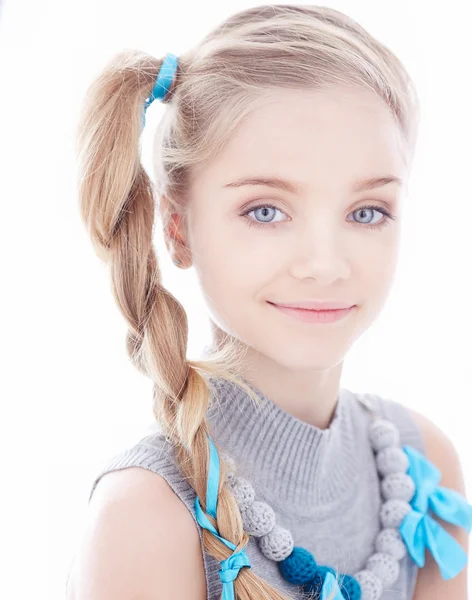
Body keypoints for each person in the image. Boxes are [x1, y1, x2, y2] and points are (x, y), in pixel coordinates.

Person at [68, 5, 471, 600]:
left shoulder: (421, 465)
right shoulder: (147, 515)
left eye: (367, 211)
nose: (325, 264)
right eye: (266, 211)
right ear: (177, 229)